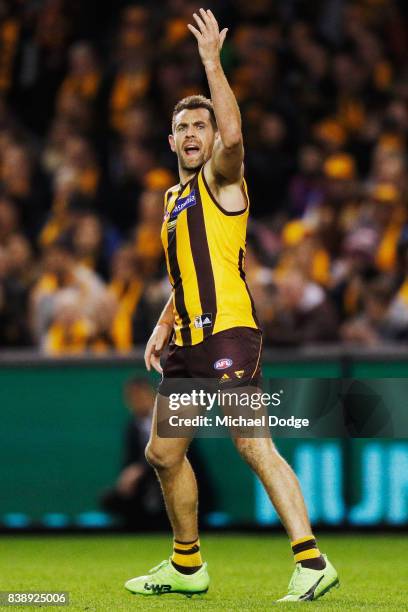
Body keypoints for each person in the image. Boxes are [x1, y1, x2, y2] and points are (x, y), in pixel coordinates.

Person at [124, 9, 338, 603]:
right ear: (171, 141)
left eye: (202, 125)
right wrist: (165, 321)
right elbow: (188, 271)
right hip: (189, 343)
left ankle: (311, 560)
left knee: (251, 442)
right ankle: (188, 567)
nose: (193, 134)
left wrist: (213, 64)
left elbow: (238, 138)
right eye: (184, 127)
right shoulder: (172, 197)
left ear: (213, 137)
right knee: (164, 453)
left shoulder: (223, 181)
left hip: (229, 335)